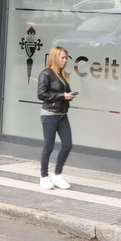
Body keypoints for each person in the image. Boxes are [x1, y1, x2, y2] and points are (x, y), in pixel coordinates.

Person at [37, 45, 77, 190]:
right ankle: (44, 177)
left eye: (66, 58)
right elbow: (41, 94)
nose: (65, 61)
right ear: (55, 58)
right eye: (62, 58)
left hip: (62, 114)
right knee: (49, 146)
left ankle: (57, 174)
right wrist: (62, 96)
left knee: (67, 145)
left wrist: (69, 96)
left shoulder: (64, 75)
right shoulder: (46, 74)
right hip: (50, 115)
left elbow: (65, 92)